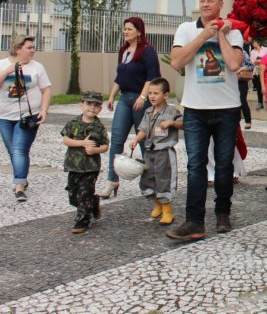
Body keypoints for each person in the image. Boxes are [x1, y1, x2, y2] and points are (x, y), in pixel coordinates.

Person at [166, 0, 244, 242]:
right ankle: (194, 220)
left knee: (224, 164)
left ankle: (223, 213)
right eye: (202, 0)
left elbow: (233, 64)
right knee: (195, 165)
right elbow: (176, 62)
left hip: (227, 108)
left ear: (221, 4)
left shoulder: (234, 32)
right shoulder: (186, 29)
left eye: (211, 0)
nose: (206, 4)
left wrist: (220, 34)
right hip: (195, 109)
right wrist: (203, 36)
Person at [0, 35, 52, 202]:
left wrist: (44, 110)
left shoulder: (37, 67)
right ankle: (22, 177)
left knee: (19, 150)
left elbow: (46, 89)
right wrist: (8, 71)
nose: (33, 50)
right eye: (29, 47)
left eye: (33, 47)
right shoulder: (0, 64)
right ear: (17, 49)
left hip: (28, 116)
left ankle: (19, 186)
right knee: (13, 150)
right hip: (3, 116)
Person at [101, 18, 161, 198]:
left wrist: (143, 97)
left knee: (143, 140)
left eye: (129, 29)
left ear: (139, 31)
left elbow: (152, 77)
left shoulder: (147, 51)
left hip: (141, 99)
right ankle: (112, 181)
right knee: (116, 139)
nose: (125, 32)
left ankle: (150, 182)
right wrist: (111, 96)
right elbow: (119, 77)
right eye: (124, 29)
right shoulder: (123, 50)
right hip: (125, 99)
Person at [129, 78, 183, 225]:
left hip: (164, 153)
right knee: (147, 180)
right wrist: (136, 139)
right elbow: (143, 129)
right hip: (149, 152)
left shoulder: (172, 111)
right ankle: (158, 204)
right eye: (150, 93)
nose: (152, 96)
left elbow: (184, 123)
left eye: (156, 93)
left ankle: (167, 211)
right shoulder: (148, 111)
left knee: (163, 181)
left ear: (165, 95)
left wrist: (172, 123)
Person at [61, 91, 109, 234]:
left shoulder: (99, 127)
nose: (92, 107)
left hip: (90, 167)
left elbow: (105, 146)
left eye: (96, 105)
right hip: (73, 165)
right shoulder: (73, 123)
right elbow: (66, 140)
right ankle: (93, 202)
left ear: (100, 108)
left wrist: (95, 150)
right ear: (81, 105)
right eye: (89, 104)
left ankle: (82, 220)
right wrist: (82, 143)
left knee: (84, 193)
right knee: (73, 194)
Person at [236, 48, 254, 129]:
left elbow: (251, 66)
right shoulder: (225, 51)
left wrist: (242, 68)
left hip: (241, 80)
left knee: (242, 100)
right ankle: (236, 121)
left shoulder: (242, 52)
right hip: (230, 81)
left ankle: (248, 121)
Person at [249, 39, 267, 109]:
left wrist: (262, 61)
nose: (253, 44)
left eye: (254, 42)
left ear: (258, 42)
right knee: (259, 88)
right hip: (256, 71)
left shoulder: (265, 49)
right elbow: (251, 61)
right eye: (252, 42)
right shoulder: (252, 52)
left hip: (265, 70)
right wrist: (255, 61)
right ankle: (260, 102)